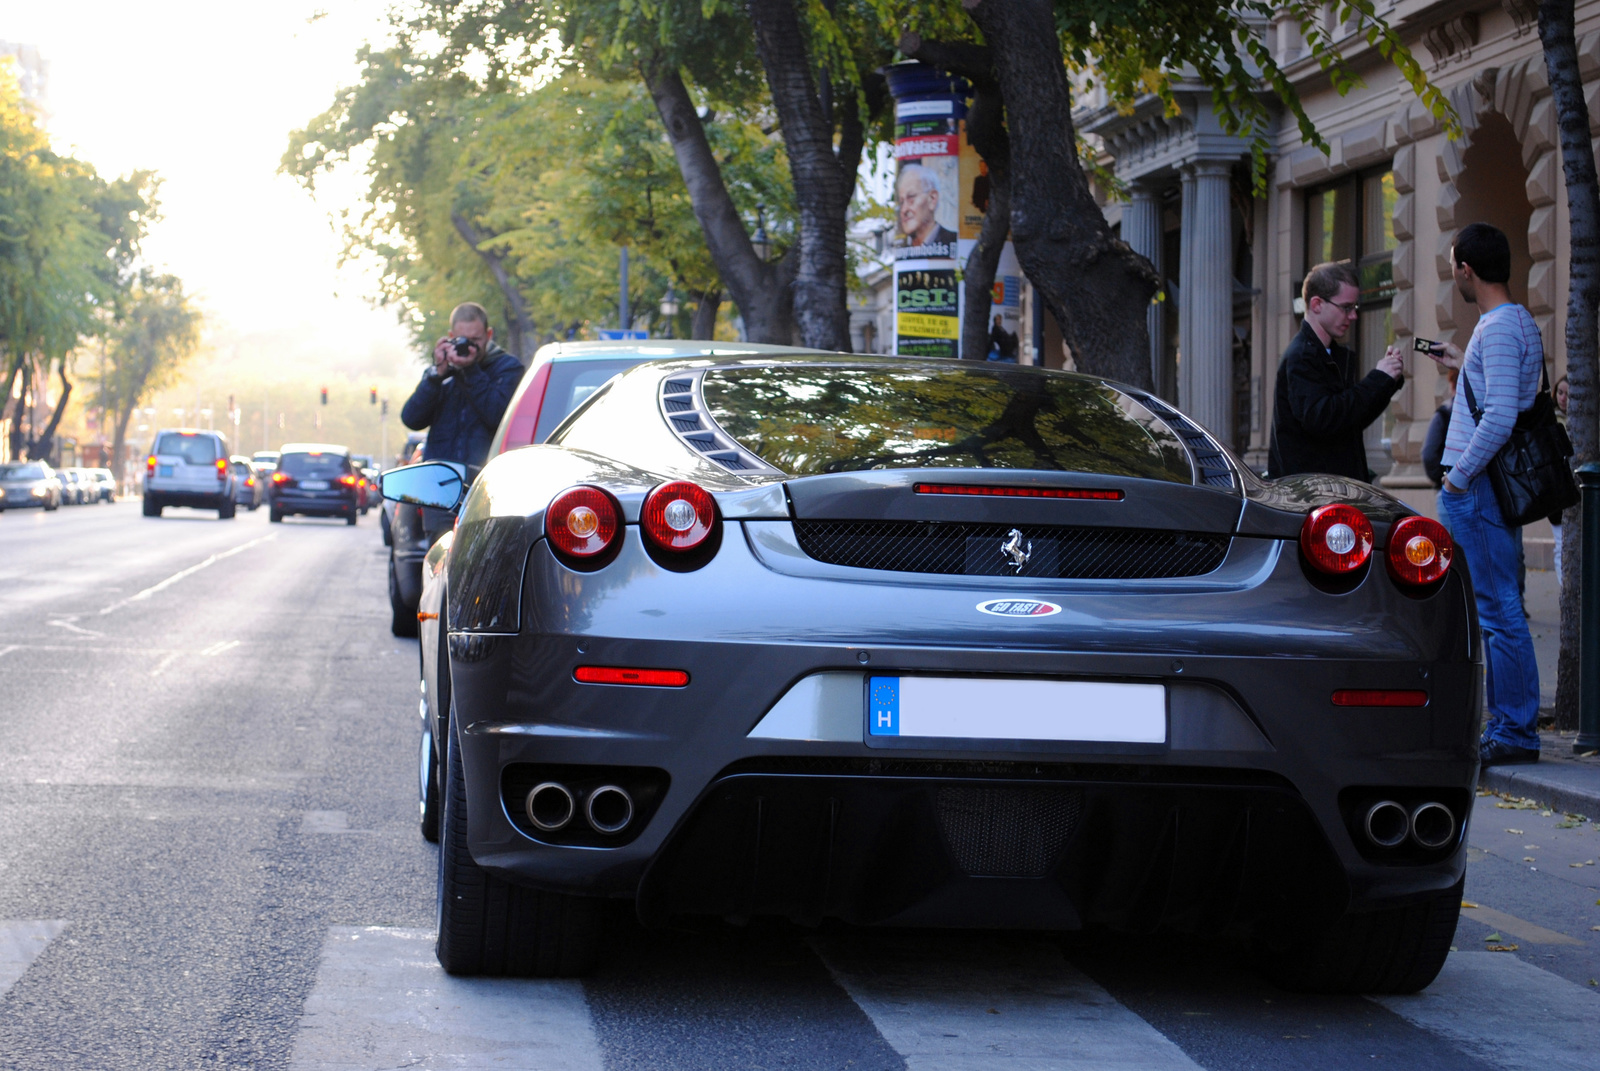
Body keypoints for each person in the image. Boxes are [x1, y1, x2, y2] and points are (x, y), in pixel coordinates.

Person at [1423, 222, 1545, 767]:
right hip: (1484, 488)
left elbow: (1498, 416)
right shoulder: (1515, 322)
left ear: (1467, 270)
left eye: (1454, 267)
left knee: (1497, 612)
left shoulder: (1496, 329)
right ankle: (1508, 725)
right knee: (1496, 609)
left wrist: (1457, 477)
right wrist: (1460, 367)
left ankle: (1515, 732)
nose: (1455, 275)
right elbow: (1502, 401)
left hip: (1477, 489)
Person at [1268, 261, 1404, 480]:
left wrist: (1387, 381)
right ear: (1317, 304)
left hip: (1331, 490)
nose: (1353, 316)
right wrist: (1379, 379)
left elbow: (1350, 421)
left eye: (1355, 308)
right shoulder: (1303, 356)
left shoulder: (1326, 353)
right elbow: (1323, 419)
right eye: (1346, 307)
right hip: (1316, 494)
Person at [401, 302, 523, 471]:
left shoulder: (507, 368)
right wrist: (436, 376)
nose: (468, 347)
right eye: (462, 340)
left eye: (475, 340)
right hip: (440, 479)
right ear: (451, 336)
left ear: (489, 335)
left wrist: (470, 370)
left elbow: (497, 416)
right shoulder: (442, 371)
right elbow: (411, 419)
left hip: (485, 479)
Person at [895, 163, 958, 256]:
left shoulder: (953, 241)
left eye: (911, 198)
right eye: (901, 202)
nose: (904, 210)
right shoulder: (902, 250)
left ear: (932, 199)